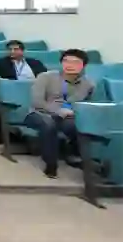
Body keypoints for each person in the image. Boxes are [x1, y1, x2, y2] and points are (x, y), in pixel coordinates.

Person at [24, 49, 95, 178]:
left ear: (83, 66)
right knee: (48, 124)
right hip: (39, 113)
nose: (70, 65)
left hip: (68, 116)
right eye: (66, 61)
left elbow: (89, 105)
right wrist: (57, 111)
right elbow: (37, 102)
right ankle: (51, 164)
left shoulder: (88, 84)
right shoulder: (46, 77)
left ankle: (76, 155)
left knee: (78, 125)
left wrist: (74, 112)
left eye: (75, 62)